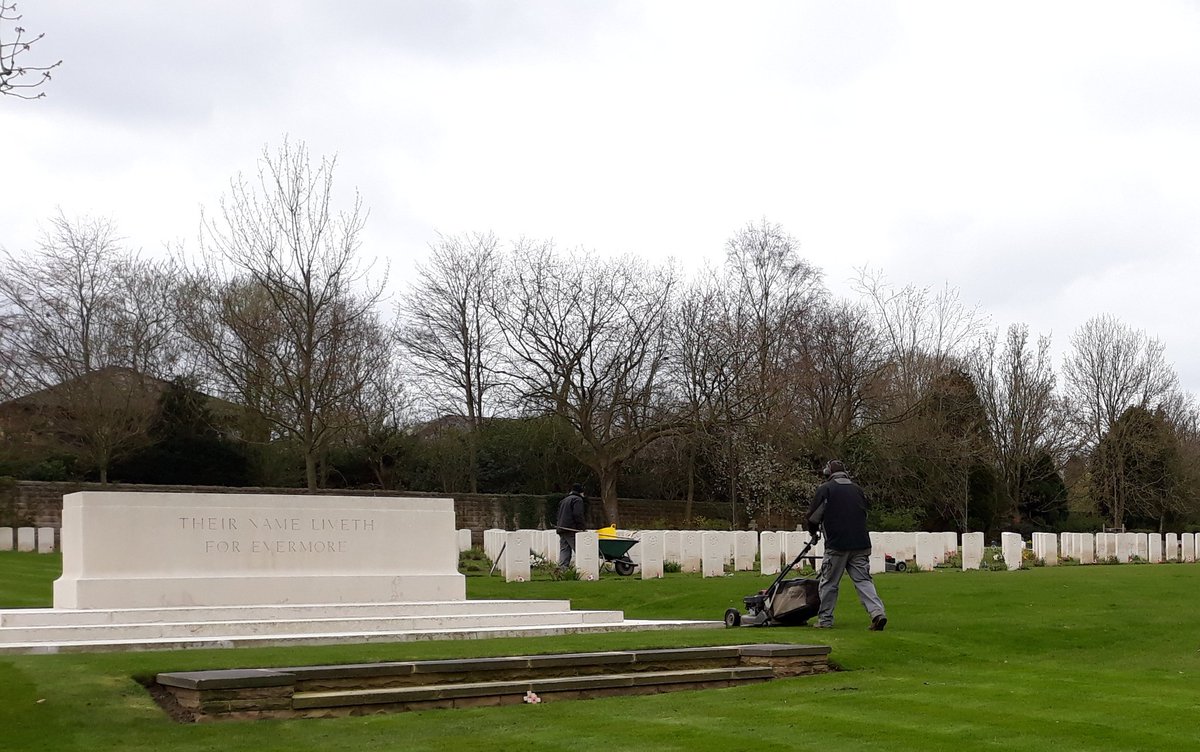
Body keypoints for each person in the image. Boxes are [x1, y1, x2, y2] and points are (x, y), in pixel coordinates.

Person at [806, 459, 888, 631]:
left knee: (829, 583)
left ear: (828, 473)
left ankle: (825, 620)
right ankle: (877, 612)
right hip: (861, 543)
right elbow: (863, 513)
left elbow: (813, 517)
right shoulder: (857, 490)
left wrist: (813, 532)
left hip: (837, 545)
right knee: (863, 580)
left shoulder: (825, 489)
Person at [555, 483, 587, 567]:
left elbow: (558, 514)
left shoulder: (564, 500)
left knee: (564, 549)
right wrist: (582, 528)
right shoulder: (577, 500)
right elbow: (578, 514)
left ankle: (563, 569)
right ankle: (585, 567)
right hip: (571, 528)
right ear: (580, 492)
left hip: (561, 528)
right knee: (579, 548)